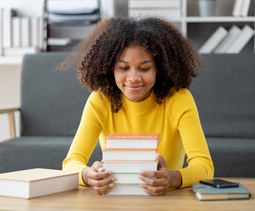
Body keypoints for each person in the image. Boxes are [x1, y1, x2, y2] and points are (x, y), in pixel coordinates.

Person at [61, 16, 214, 196]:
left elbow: (204, 166)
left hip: (166, 201)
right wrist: (87, 175)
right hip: (114, 201)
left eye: (144, 69)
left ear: (159, 68)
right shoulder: (100, 101)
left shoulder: (179, 100)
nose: (133, 78)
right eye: (123, 68)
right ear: (111, 68)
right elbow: (71, 161)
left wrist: (171, 178)